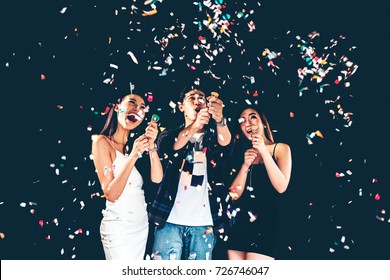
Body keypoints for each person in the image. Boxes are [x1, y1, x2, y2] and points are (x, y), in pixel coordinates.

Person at [148, 88, 233, 260]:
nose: (197, 101)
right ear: (181, 107)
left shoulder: (214, 137)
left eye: (201, 97)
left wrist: (220, 120)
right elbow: (174, 145)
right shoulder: (169, 134)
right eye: (191, 98)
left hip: (205, 224)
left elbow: (226, 145)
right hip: (169, 221)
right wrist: (195, 126)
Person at [91, 93, 163, 260]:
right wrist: (134, 155)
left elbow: (157, 178)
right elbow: (111, 193)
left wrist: (152, 147)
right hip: (118, 228)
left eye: (142, 107)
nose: (137, 109)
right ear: (117, 107)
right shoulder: (101, 142)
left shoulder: (135, 145)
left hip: (140, 226)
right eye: (131, 102)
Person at [225, 106, 292, 260]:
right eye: (242, 120)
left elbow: (281, 187)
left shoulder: (281, 149)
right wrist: (244, 166)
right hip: (239, 224)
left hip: (266, 224)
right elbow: (233, 195)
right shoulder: (241, 153)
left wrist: (263, 150)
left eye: (253, 117)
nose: (248, 123)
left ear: (264, 123)